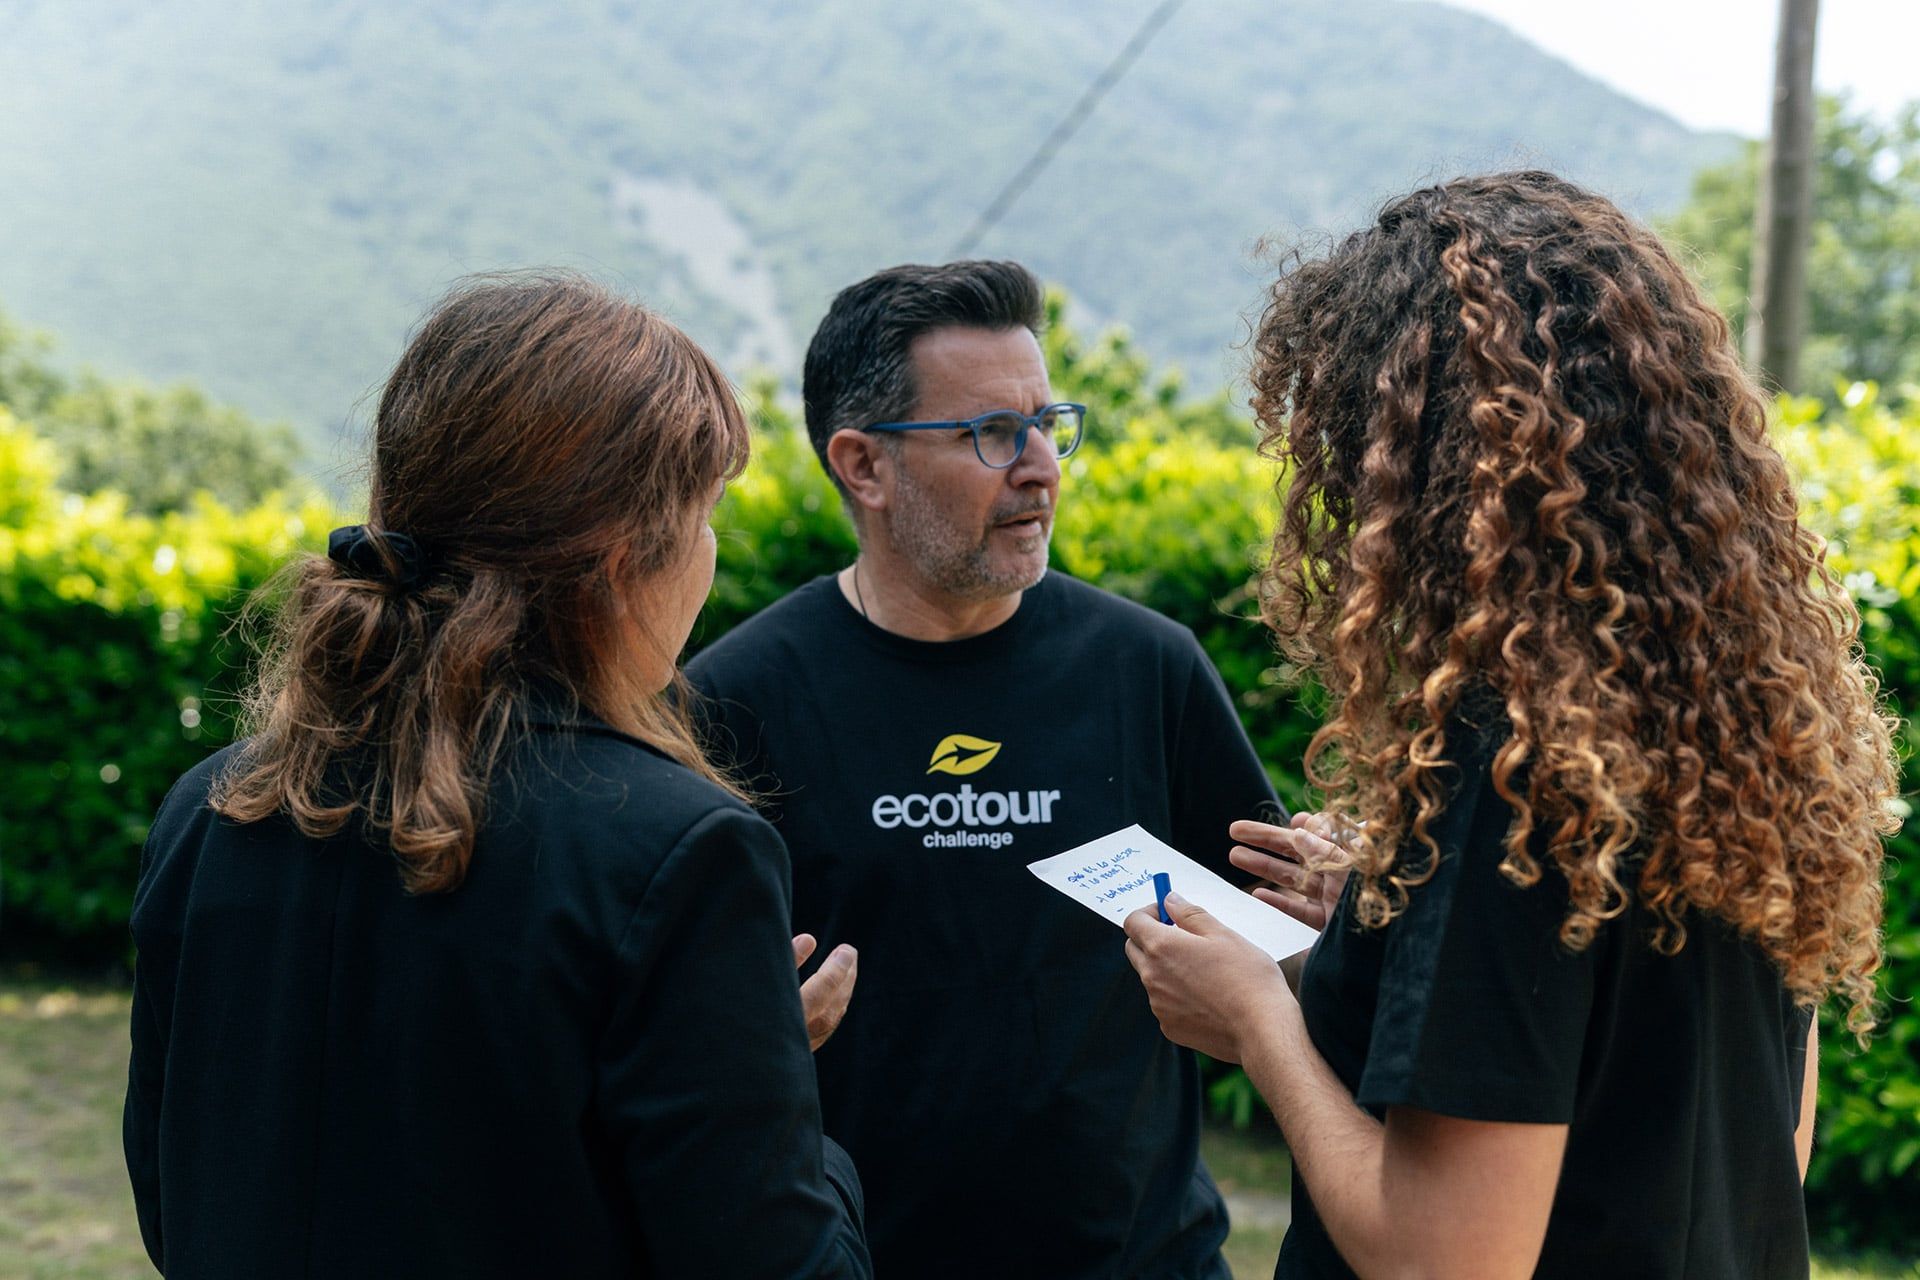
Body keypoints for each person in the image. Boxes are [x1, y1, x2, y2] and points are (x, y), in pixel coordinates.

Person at [1123, 171, 1900, 1279]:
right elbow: (1768, 1136)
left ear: (1423, 475)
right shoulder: (1734, 740)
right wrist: (1377, 928)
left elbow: (1448, 1260)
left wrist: (1256, 1018)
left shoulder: (1510, 771)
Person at [123, 275, 870, 1279]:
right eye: (706, 513)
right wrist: (779, 1092)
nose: (709, 555)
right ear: (620, 557)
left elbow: (177, 1199)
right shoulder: (679, 850)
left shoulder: (209, 809)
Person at [686, 259, 1283, 1278]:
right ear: (863, 464)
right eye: (993, 433)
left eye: (1049, 421)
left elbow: (1284, 946)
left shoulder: (1148, 667)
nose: (1041, 462)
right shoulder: (736, 701)